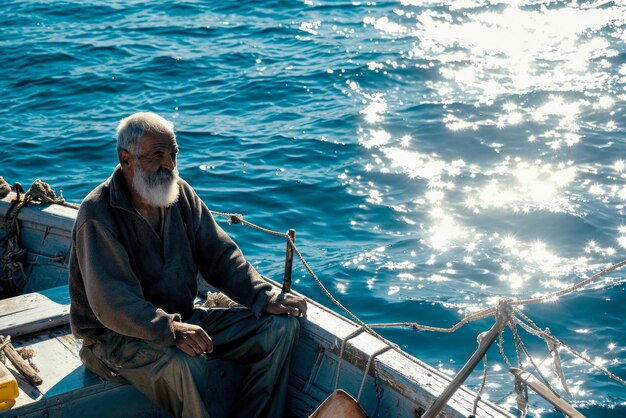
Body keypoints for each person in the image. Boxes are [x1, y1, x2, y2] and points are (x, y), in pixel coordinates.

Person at [69, 112, 307, 418]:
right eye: (157, 155)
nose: (169, 164)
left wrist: (262, 296)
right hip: (114, 339)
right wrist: (170, 330)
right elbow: (112, 303)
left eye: (173, 154)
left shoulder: (180, 194)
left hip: (183, 319)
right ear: (125, 159)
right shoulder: (97, 213)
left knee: (280, 327)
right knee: (184, 362)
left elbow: (220, 256)